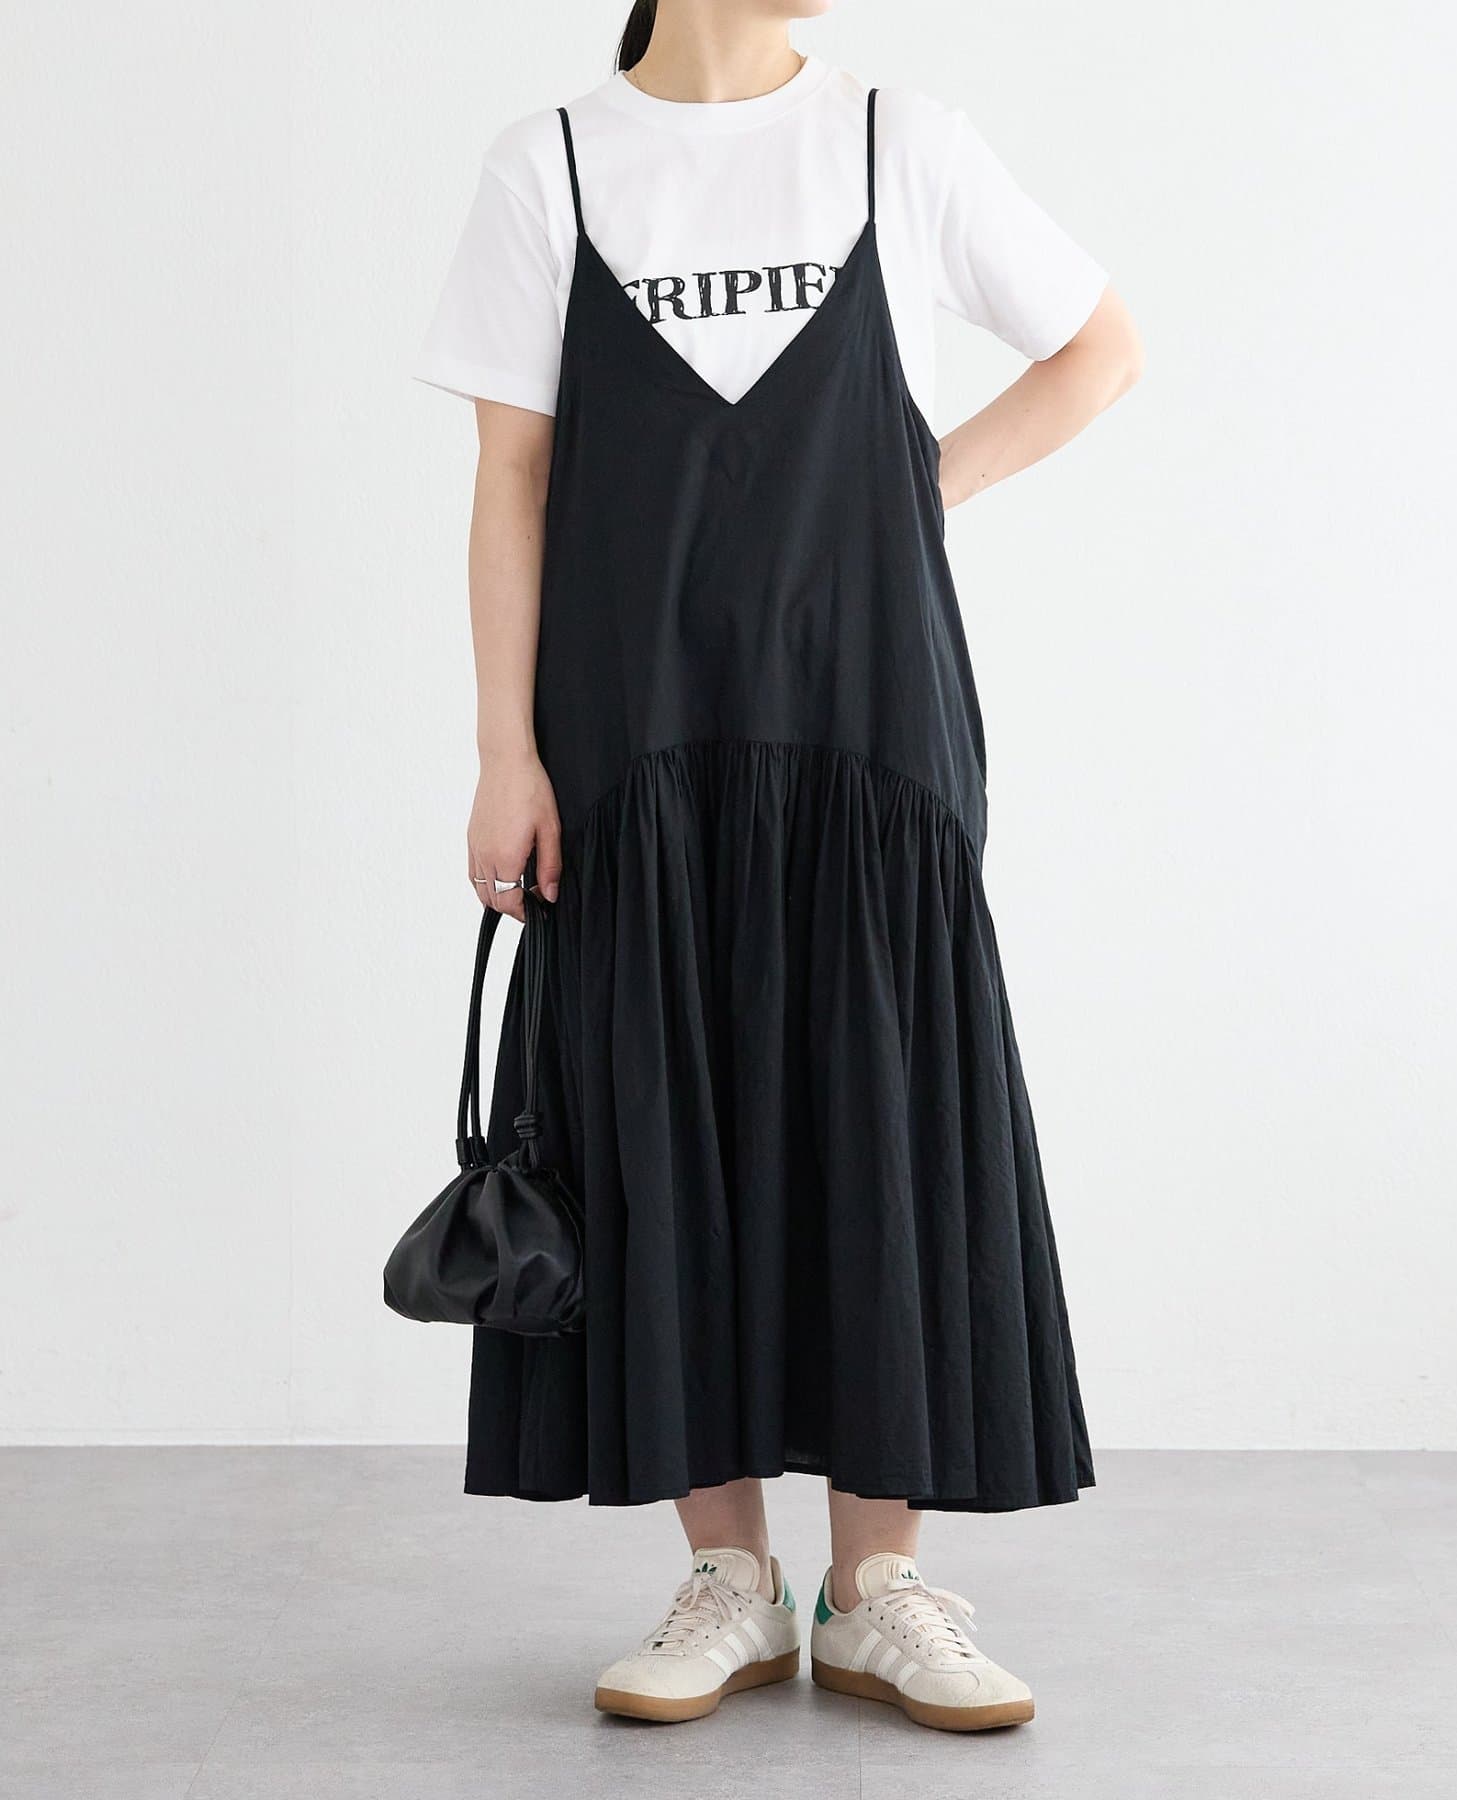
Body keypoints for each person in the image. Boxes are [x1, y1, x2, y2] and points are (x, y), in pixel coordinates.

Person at [414, 0, 1142, 1733]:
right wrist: (506, 752)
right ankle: (730, 1579)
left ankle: (877, 1589)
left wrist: (914, 491)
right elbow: (513, 478)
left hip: (869, 725)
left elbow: (1101, 349)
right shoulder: (554, 166)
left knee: (875, 1103)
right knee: (662, 1107)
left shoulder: (902, 140)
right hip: (635, 739)